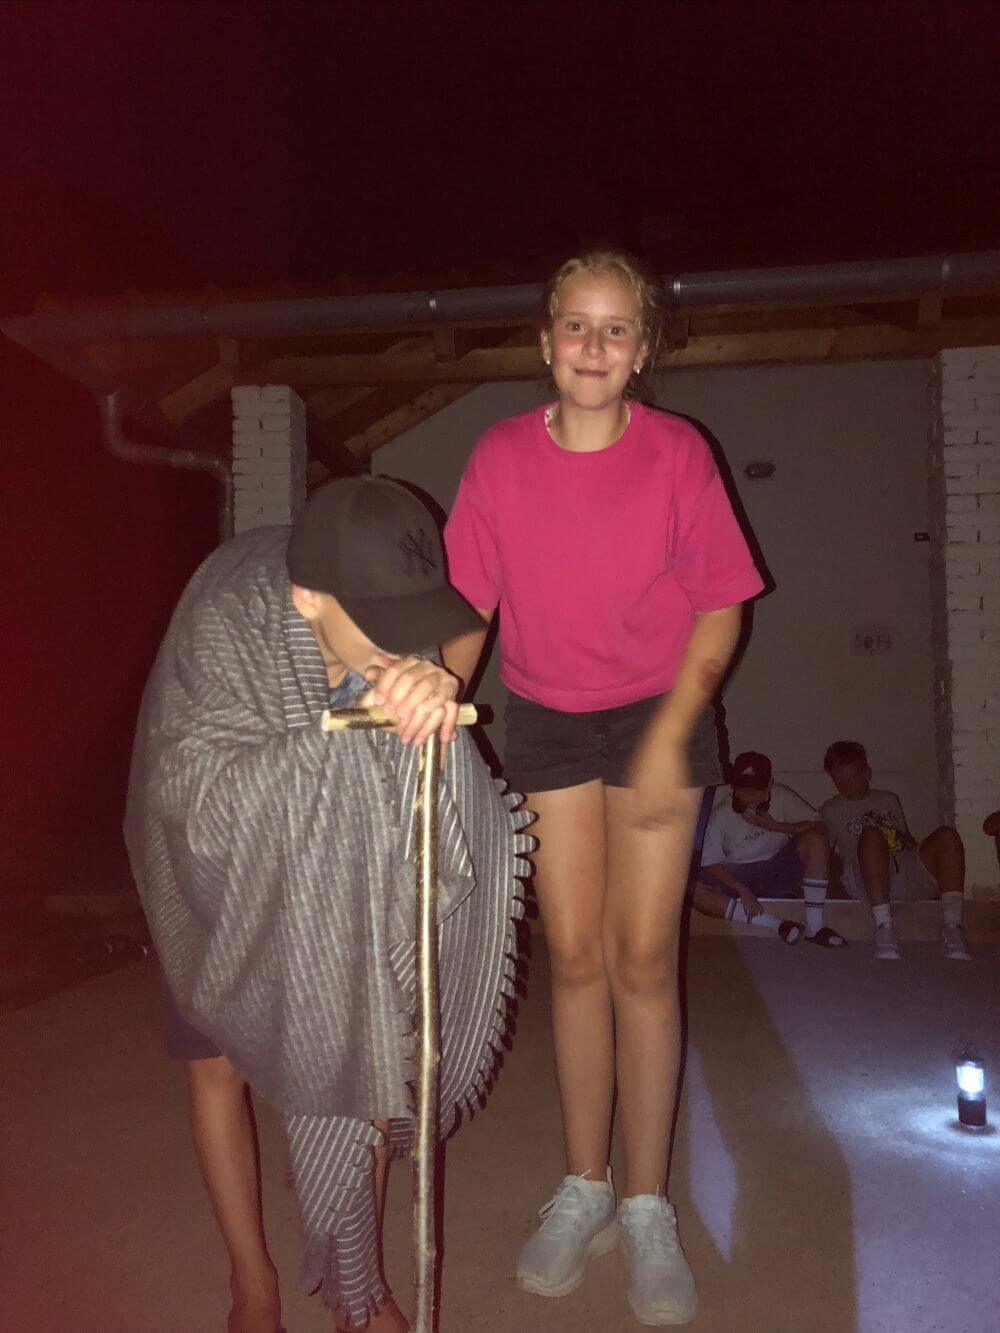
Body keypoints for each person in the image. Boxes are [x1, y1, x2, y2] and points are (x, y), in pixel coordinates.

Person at [125, 478, 533, 1333]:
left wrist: (428, 689)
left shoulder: (383, 613)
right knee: (214, 1062)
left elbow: (437, 698)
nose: (404, 642)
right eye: (385, 623)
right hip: (207, 861)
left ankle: (360, 1283)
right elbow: (190, 794)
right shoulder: (224, 623)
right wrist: (334, 741)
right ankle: (252, 1277)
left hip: (337, 859)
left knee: (367, 1048)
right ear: (308, 597)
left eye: (414, 618)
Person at [442, 250, 764, 1326]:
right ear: (545, 342)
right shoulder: (498, 456)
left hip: (658, 713)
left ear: (642, 348)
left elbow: (721, 604)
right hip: (544, 715)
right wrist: (437, 688)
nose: (592, 345)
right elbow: (468, 603)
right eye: (574, 325)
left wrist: (673, 731)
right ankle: (584, 1184)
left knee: (643, 959)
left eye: (616, 328)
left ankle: (646, 1203)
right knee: (574, 956)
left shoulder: (677, 452)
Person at [820, 740, 971, 961]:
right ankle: (884, 927)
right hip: (863, 875)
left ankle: (952, 926)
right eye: (839, 782)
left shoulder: (888, 799)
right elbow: (825, 854)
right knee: (872, 835)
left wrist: (902, 838)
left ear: (867, 773)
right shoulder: (831, 810)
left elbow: (908, 840)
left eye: (851, 780)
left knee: (947, 835)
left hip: (902, 867)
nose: (845, 788)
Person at [694, 751, 847, 948]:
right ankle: (778, 925)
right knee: (692, 890)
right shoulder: (722, 812)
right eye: (744, 789)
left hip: (777, 868)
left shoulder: (782, 796)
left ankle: (815, 928)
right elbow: (709, 862)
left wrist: (773, 826)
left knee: (815, 839)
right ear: (734, 789)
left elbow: (820, 827)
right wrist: (741, 889)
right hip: (739, 872)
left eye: (757, 789)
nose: (751, 795)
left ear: (769, 785)